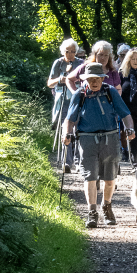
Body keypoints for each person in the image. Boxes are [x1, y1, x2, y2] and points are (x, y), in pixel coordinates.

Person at [63, 62, 136, 228]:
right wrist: (66, 134)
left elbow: (125, 114)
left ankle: (107, 206)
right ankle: (92, 212)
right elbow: (70, 118)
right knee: (90, 176)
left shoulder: (110, 91)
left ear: (103, 78)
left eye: (97, 78)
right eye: (90, 79)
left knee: (110, 179)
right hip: (87, 139)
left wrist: (130, 128)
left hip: (110, 138)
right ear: (85, 79)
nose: (94, 82)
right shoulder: (80, 94)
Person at [48, 38, 83, 173]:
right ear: (63, 51)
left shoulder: (80, 63)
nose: (70, 55)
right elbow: (50, 83)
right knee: (66, 130)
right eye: (68, 52)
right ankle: (66, 162)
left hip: (77, 99)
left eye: (73, 52)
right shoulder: (58, 63)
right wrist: (60, 79)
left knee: (79, 130)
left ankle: (79, 162)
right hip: (63, 100)